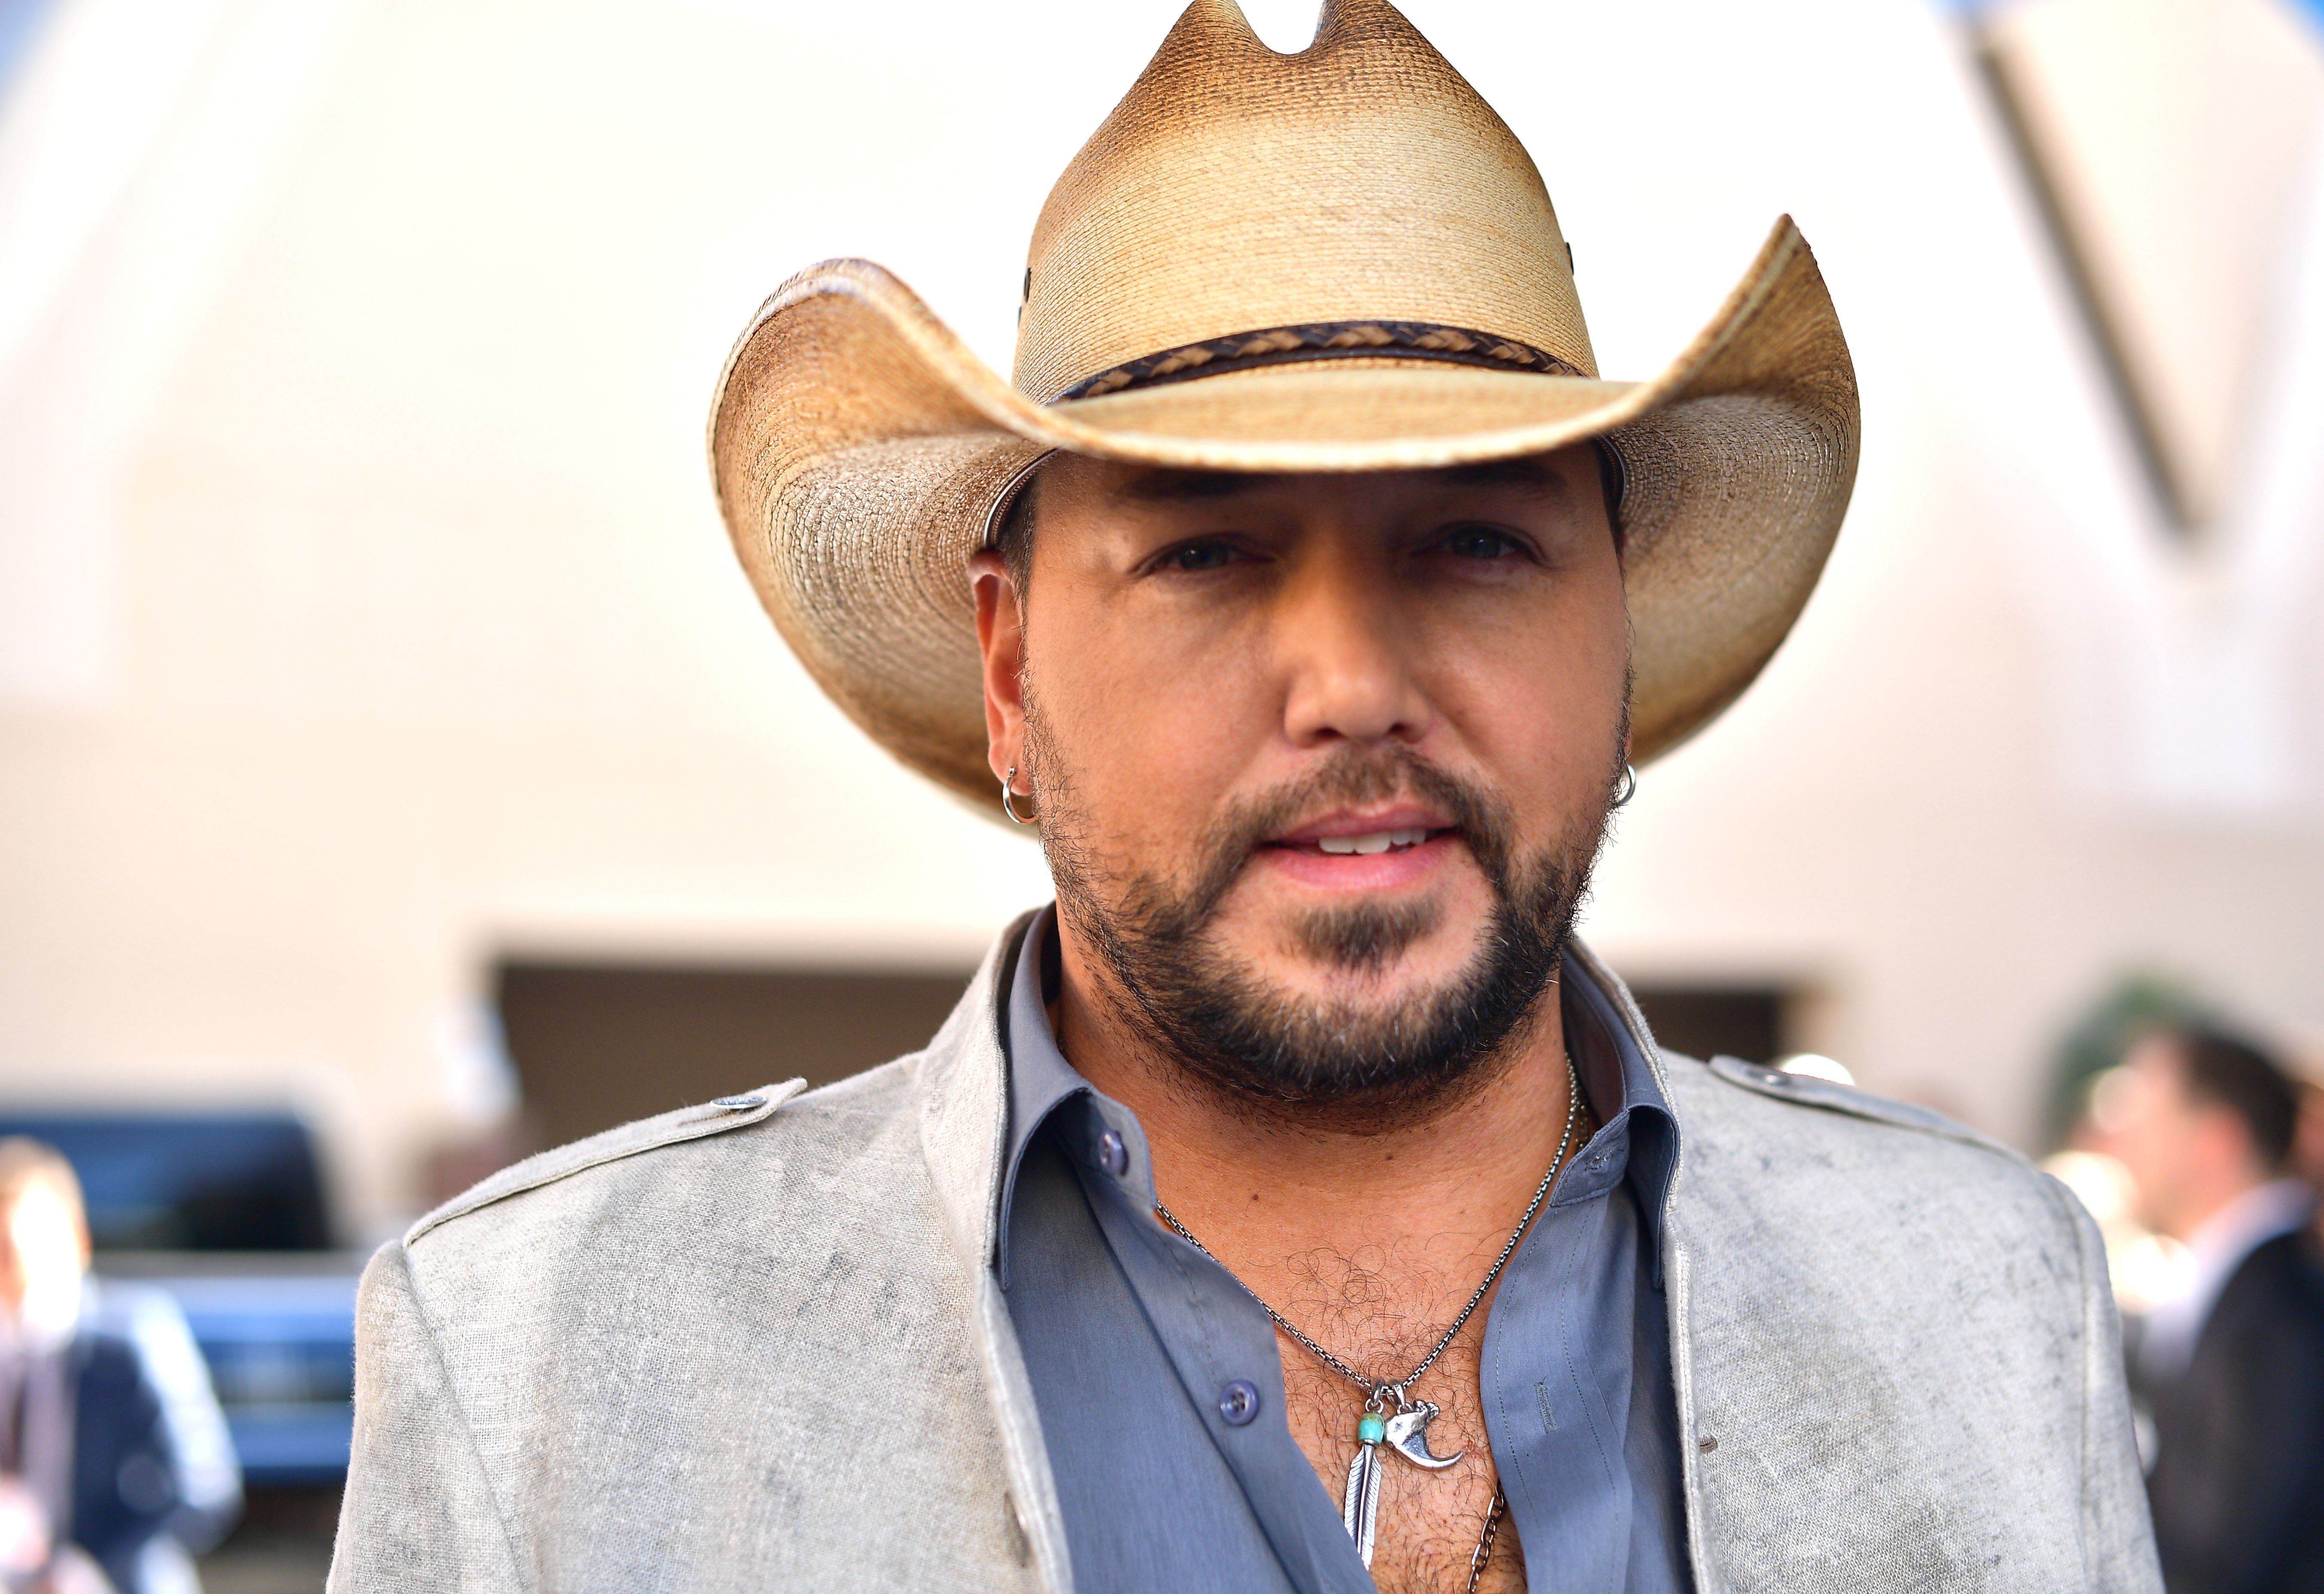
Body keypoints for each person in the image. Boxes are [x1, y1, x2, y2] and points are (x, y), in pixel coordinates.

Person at [331, 3, 2159, 1589]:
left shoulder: (1984, 1306)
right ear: (1009, 671)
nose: (1353, 684)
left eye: (1474, 539)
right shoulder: (552, 1369)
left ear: (1622, 649)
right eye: (1206, 551)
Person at [2101, 1025, 2324, 1593]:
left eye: (2144, 1114)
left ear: (2217, 1140)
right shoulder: (2256, 1292)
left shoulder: (2280, 1321)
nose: (2121, 1138)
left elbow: (2223, 1570)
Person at [0, 1141, 236, 1594]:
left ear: (77, 1239)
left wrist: (85, 1570)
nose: (11, 1273)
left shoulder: (132, 1338)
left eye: (19, 1249)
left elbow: (204, 1484)